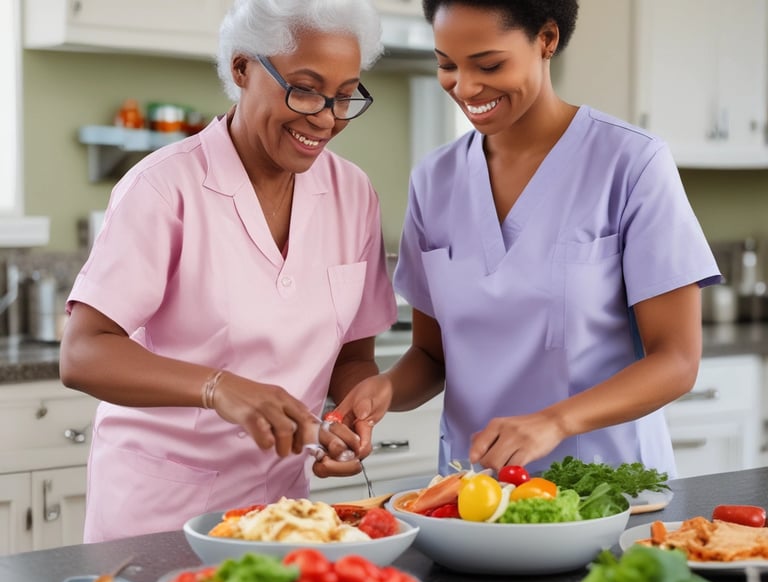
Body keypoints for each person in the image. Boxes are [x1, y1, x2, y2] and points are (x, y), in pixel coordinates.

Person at [334, 0, 721, 479]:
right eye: (447, 65)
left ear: (547, 40)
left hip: (607, 490)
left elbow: (677, 361)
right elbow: (433, 355)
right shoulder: (434, 181)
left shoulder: (630, 163)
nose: (466, 87)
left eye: (489, 64)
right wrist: (387, 389)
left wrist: (555, 421)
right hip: (474, 494)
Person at [59, 0, 396, 542]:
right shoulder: (164, 188)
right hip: (159, 511)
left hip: (282, 512)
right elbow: (83, 353)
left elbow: (353, 355)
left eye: (343, 96)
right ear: (242, 68)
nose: (327, 117)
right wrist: (218, 388)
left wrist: (349, 421)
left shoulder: (352, 194)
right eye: (305, 89)